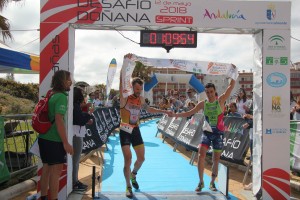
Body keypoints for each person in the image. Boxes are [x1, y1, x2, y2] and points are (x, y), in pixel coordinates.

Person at [171, 67, 236, 192]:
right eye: (207, 92)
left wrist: (233, 71)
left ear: (215, 91)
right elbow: (189, 112)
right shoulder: (203, 104)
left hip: (218, 134)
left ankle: (212, 182)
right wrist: (175, 115)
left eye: (211, 92)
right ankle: (201, 182)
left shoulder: (221, 100)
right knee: (201, 155)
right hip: (206, 133)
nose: (209, 94)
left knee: (216, 159)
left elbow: (231, 86)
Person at [119, 55, 172, 198]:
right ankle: (128, 187)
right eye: (136, 89)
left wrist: (164, 111)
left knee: (141, 159)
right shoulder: (124, 97)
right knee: (128, 159)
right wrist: (125, 65)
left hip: (135, 130)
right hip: (124, 129)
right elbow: (121, 82)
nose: (138, 91)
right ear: (131, 88)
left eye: (140, 89)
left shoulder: (141, 99)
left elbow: (149, 110)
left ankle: (133, 174)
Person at [38, 70, 74, 200]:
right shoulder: (61, 97)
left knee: (46, 169)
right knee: (55, 173)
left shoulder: (51, 94)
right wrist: (65, 143)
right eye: (69, 79)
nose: (71, 82)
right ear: (63, 81)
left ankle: (43, 197)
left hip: (44, 138)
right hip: (54, 140)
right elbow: (59, 120)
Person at [72, 87, 93, 191]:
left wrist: (86, 118)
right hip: (75, 135)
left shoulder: (75, 105)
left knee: (75, 160)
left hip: (76, 134)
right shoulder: (75, 105)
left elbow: (79, 117)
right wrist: (89, 114)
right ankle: (74, 182)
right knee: (75, 160)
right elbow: (79, 120)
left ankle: (74, 181)